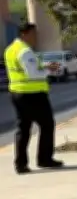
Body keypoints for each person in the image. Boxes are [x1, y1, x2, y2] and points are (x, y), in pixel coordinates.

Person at [4, 23, 63, 173]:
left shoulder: (10, 50)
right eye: (33, 34)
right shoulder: (25, 51)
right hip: (33, 95)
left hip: (17, 93)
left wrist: (44, 66)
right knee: (47, 124)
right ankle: (44, 159)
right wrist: (48, 70)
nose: (36, 38)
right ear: (25, 34)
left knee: (23, 128)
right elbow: (33, 74)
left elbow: (27, 69)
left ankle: (20, 164)